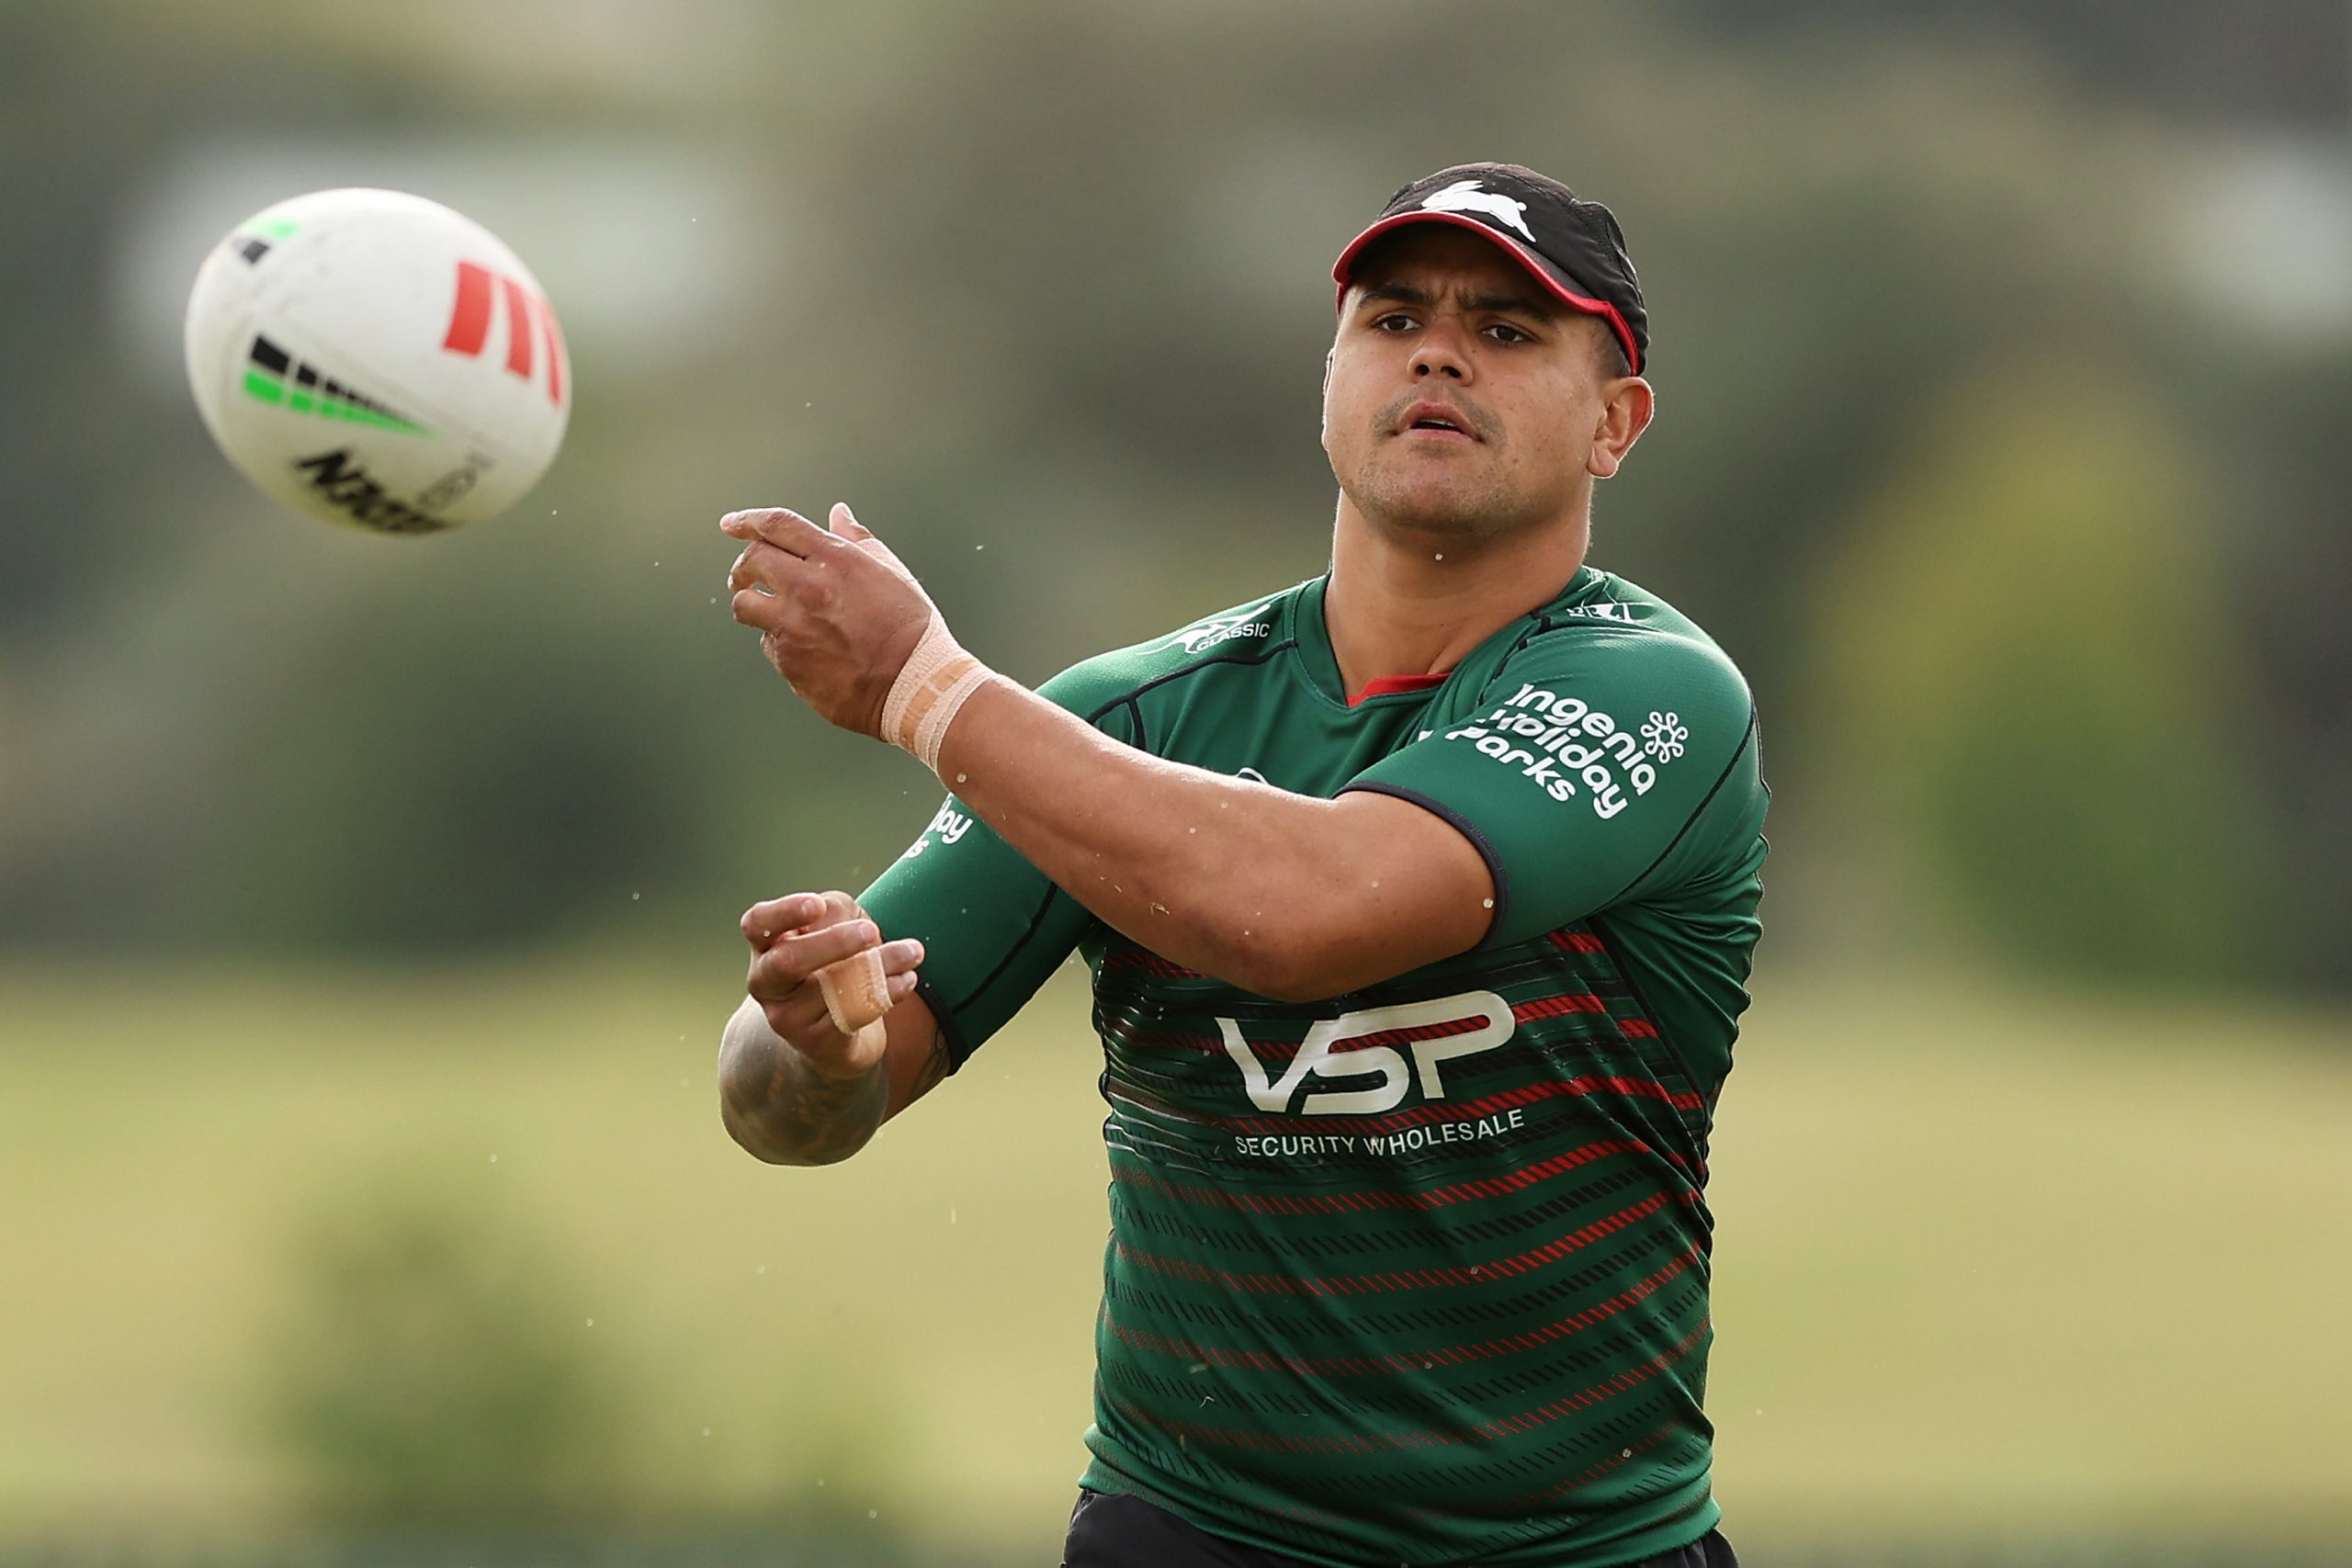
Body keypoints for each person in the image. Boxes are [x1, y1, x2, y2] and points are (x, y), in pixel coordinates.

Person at [717, 162, 1765, 1568]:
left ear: (1615, 424)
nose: (1439, 350)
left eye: (1509, 332)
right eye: (1393, 320)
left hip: (1584, 1548)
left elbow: (1308, 912)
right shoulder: (1128, 720)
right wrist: (826, 1050)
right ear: (1328, 379)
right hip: (1196, 1534)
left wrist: (925, 687)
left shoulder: (1659, 695)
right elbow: (780, 1110)